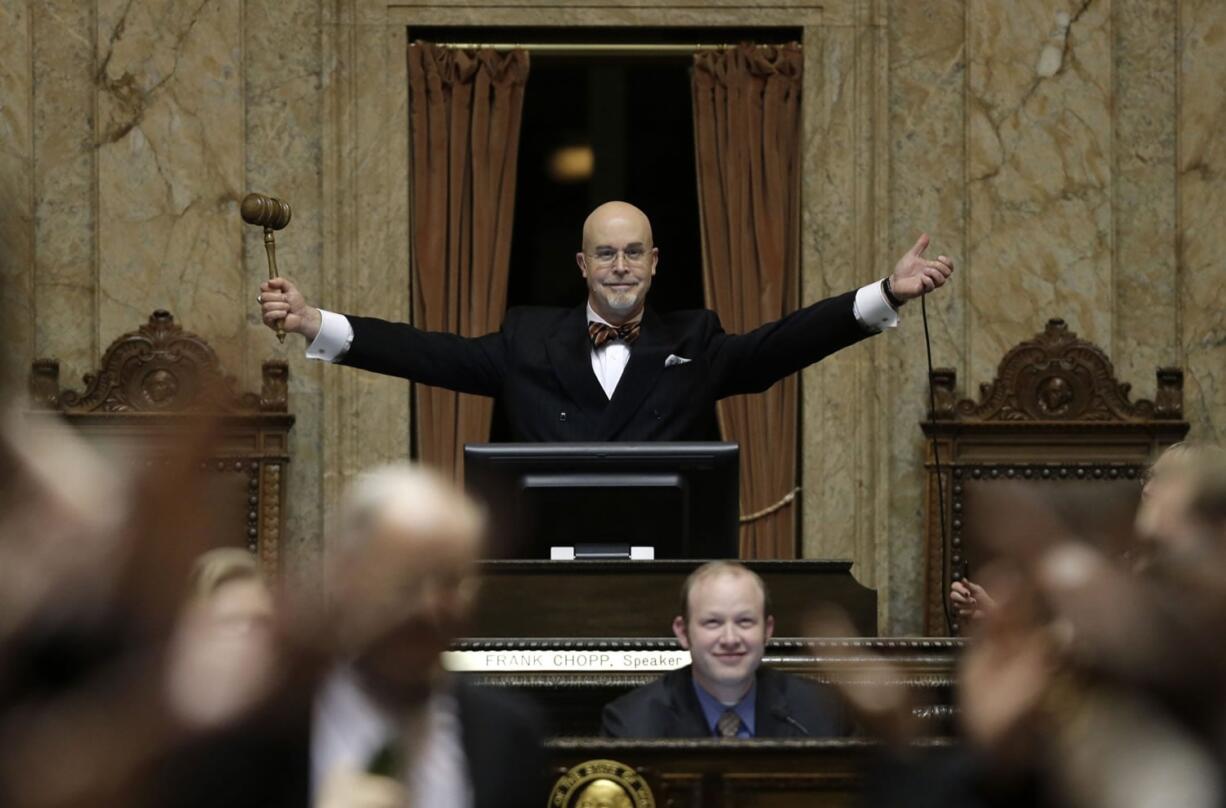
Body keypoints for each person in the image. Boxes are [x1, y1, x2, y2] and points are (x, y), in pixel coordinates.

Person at [257, 201, 954, 441]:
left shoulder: (696, 340)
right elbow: (428, 354)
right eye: (604, 254)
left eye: (632, 253)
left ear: (654, 264)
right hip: (542, 578)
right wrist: (315, 320)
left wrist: (884, 293)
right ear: (583, 266)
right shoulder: (528, 338)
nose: (619, 266)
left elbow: (781, 346)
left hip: (669, 571)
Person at [310, 462, 546, 808]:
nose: (429, 608)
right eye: (407, 582)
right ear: (346, 575)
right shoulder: (268, 728)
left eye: (450, 584)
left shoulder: (507, 734)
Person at [600, 561, 848, 738]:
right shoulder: (631, 725)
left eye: (744, 622)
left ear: (767, 630)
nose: (730, 638)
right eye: (713, 622)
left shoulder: (822, 713)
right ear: (683, 632)